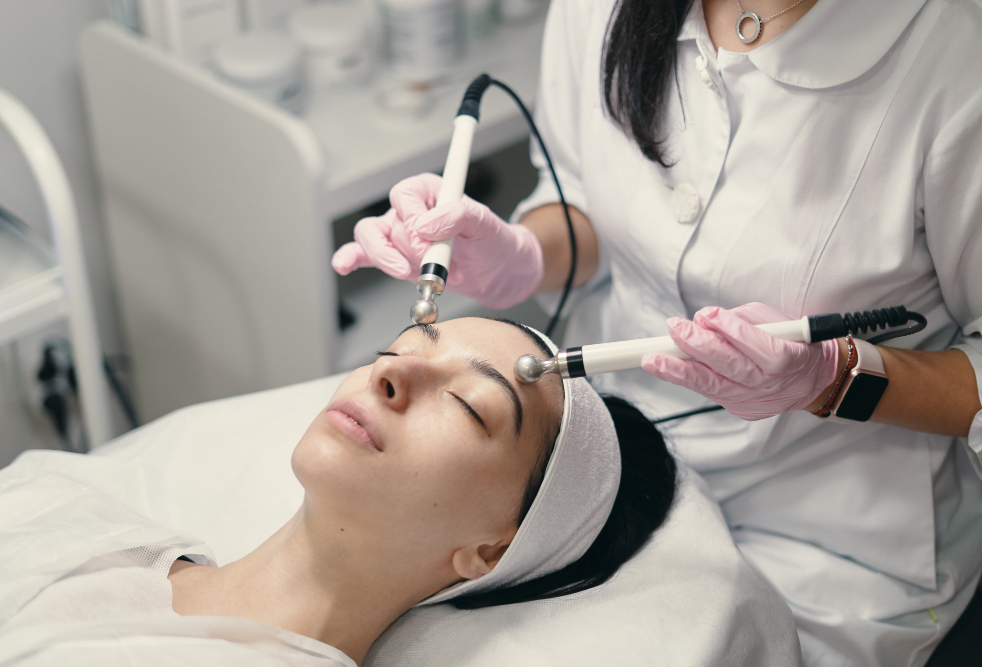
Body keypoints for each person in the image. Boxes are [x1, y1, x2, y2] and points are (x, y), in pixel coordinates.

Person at [331, 0, 982, 664]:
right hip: (618, 465)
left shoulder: (959, 62)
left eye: (474, 405)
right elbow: (590, 198)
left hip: (831, 539)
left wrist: (833, 378)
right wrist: (522, 253)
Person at [0, 318, 677, 666]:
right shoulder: (69, 505)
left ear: (491, 547)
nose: (391, 376)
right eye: (405, 344)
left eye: (468, 405)